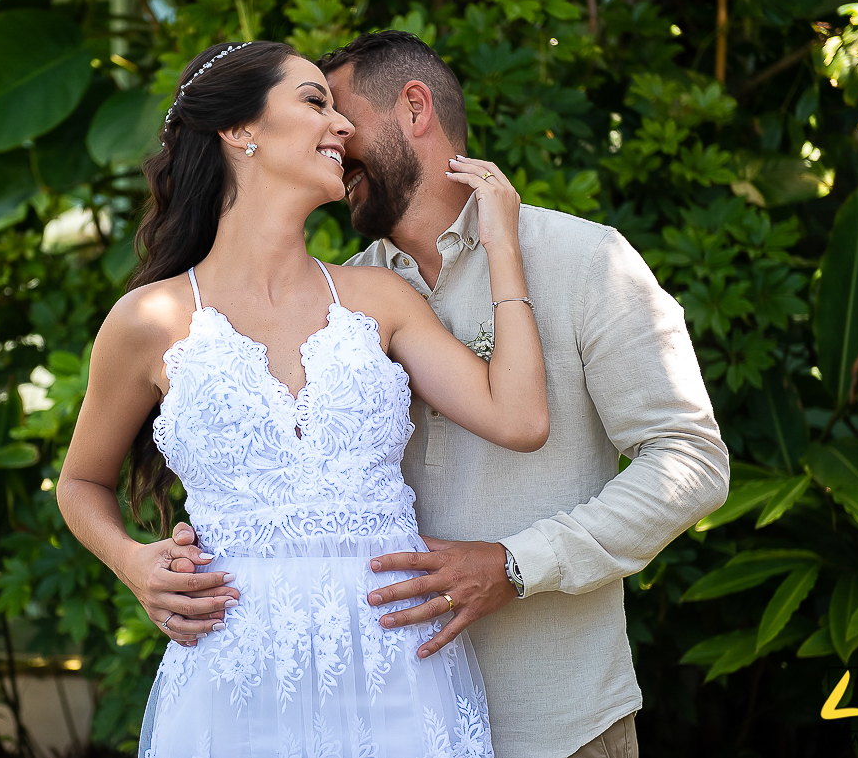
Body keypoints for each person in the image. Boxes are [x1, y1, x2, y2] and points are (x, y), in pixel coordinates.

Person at [168, 32, 731, 758]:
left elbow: (691, 460)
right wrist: (188, 557)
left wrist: (519, 562)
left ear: (414, 108)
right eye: (318, 114)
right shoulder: (341, 295)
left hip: (555, 717)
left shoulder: (586, 259)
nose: (335, 135)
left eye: (343, 113)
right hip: (381, 718)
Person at [55, 40, 550, 757]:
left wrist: (501, 240)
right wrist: (133, 562)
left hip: (396, 672)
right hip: (236, 680)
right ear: (239, 130)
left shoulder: (381, 299)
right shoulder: (147, 321)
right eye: (315, 102)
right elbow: (80, 481)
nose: (343, 126)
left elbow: (521, 418)